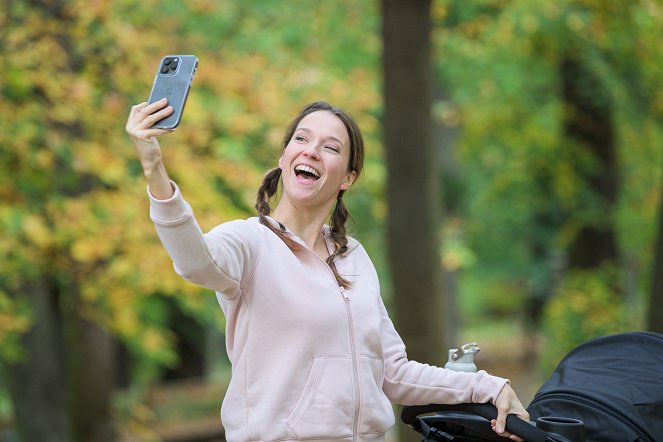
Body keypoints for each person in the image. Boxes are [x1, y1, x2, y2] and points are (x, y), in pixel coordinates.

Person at [126, 99, 529, 442]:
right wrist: (154, 172)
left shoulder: (353, 256)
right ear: (284, 158)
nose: (311, 151)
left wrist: (489, 385)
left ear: (348, 177)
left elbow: (393, 372)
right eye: (301, 139)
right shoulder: (250, 243)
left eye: (330, 147)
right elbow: (195, 261)